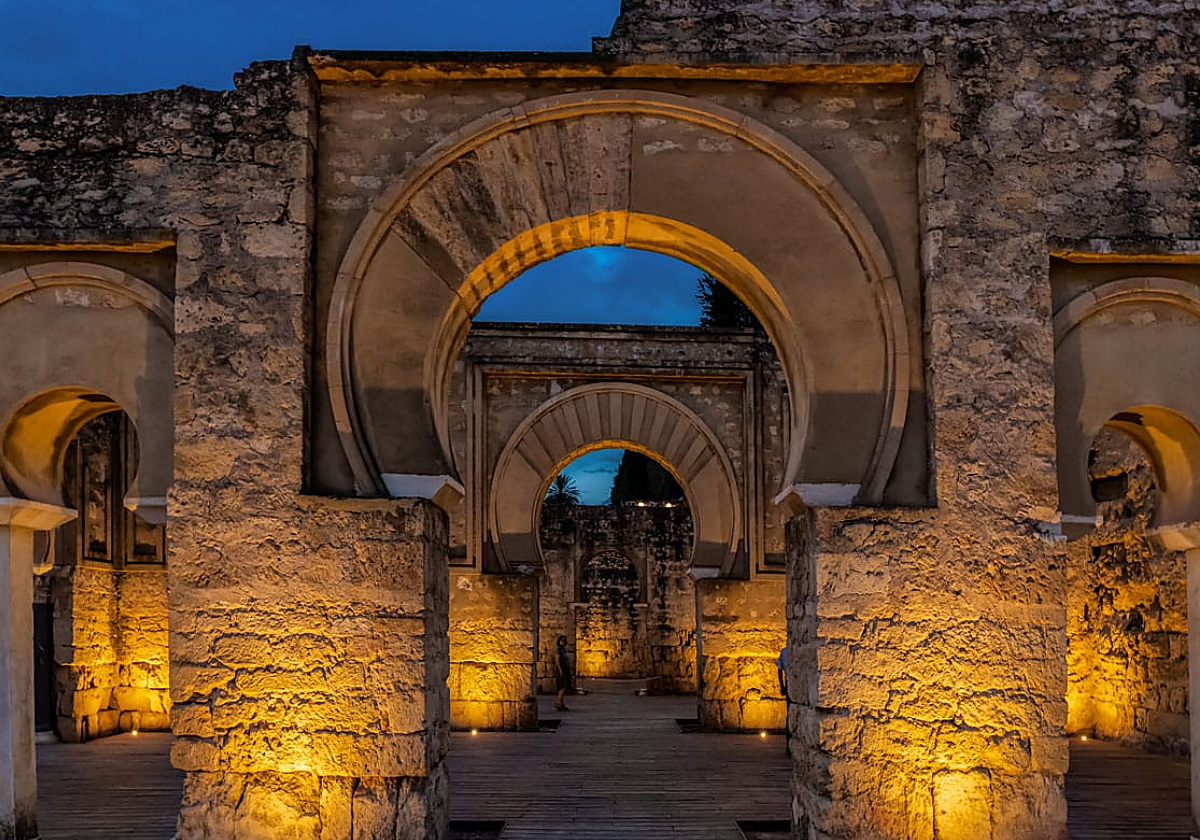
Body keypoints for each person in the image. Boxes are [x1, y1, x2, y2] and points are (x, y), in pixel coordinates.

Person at [777, 645, 790, 756]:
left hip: (789, 683)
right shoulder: (787, 651)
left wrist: (781, 686)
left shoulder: (784, 651)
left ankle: (788, 746)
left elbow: (779, 670)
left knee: (790, 715)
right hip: (793, 683)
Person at [554, 635, 573, 711]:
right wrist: (560, 670)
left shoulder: (564, 649)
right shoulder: (558, 650)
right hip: (562, 670)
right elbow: (557, 660)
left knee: (565, 686)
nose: (563, 641)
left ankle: (562, 704)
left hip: (566, 670)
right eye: (561, 640)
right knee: (563, 686)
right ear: (559, 641)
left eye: (564, 640)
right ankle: (558, 702)